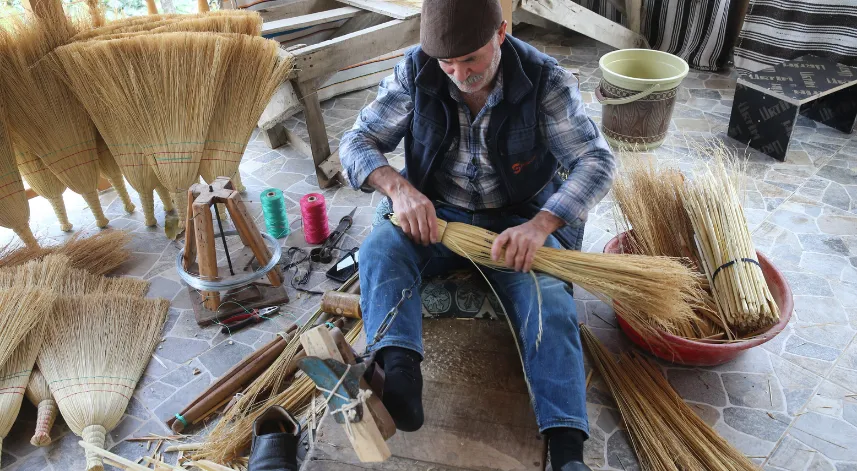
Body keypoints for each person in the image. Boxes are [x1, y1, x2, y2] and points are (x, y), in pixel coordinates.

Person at [339, 0, 615, 469]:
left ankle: (568, 451)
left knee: (549, 300)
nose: (460, 75)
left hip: (516, 222)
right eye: (448, 63)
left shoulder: (544, 80)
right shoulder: (417, 70)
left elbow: (596, 160)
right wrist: (400, 190)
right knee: (380, 249)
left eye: (471, 59)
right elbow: (356, 141)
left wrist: (542, 224)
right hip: (437, 215)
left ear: (501, 33)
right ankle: (401, 375)